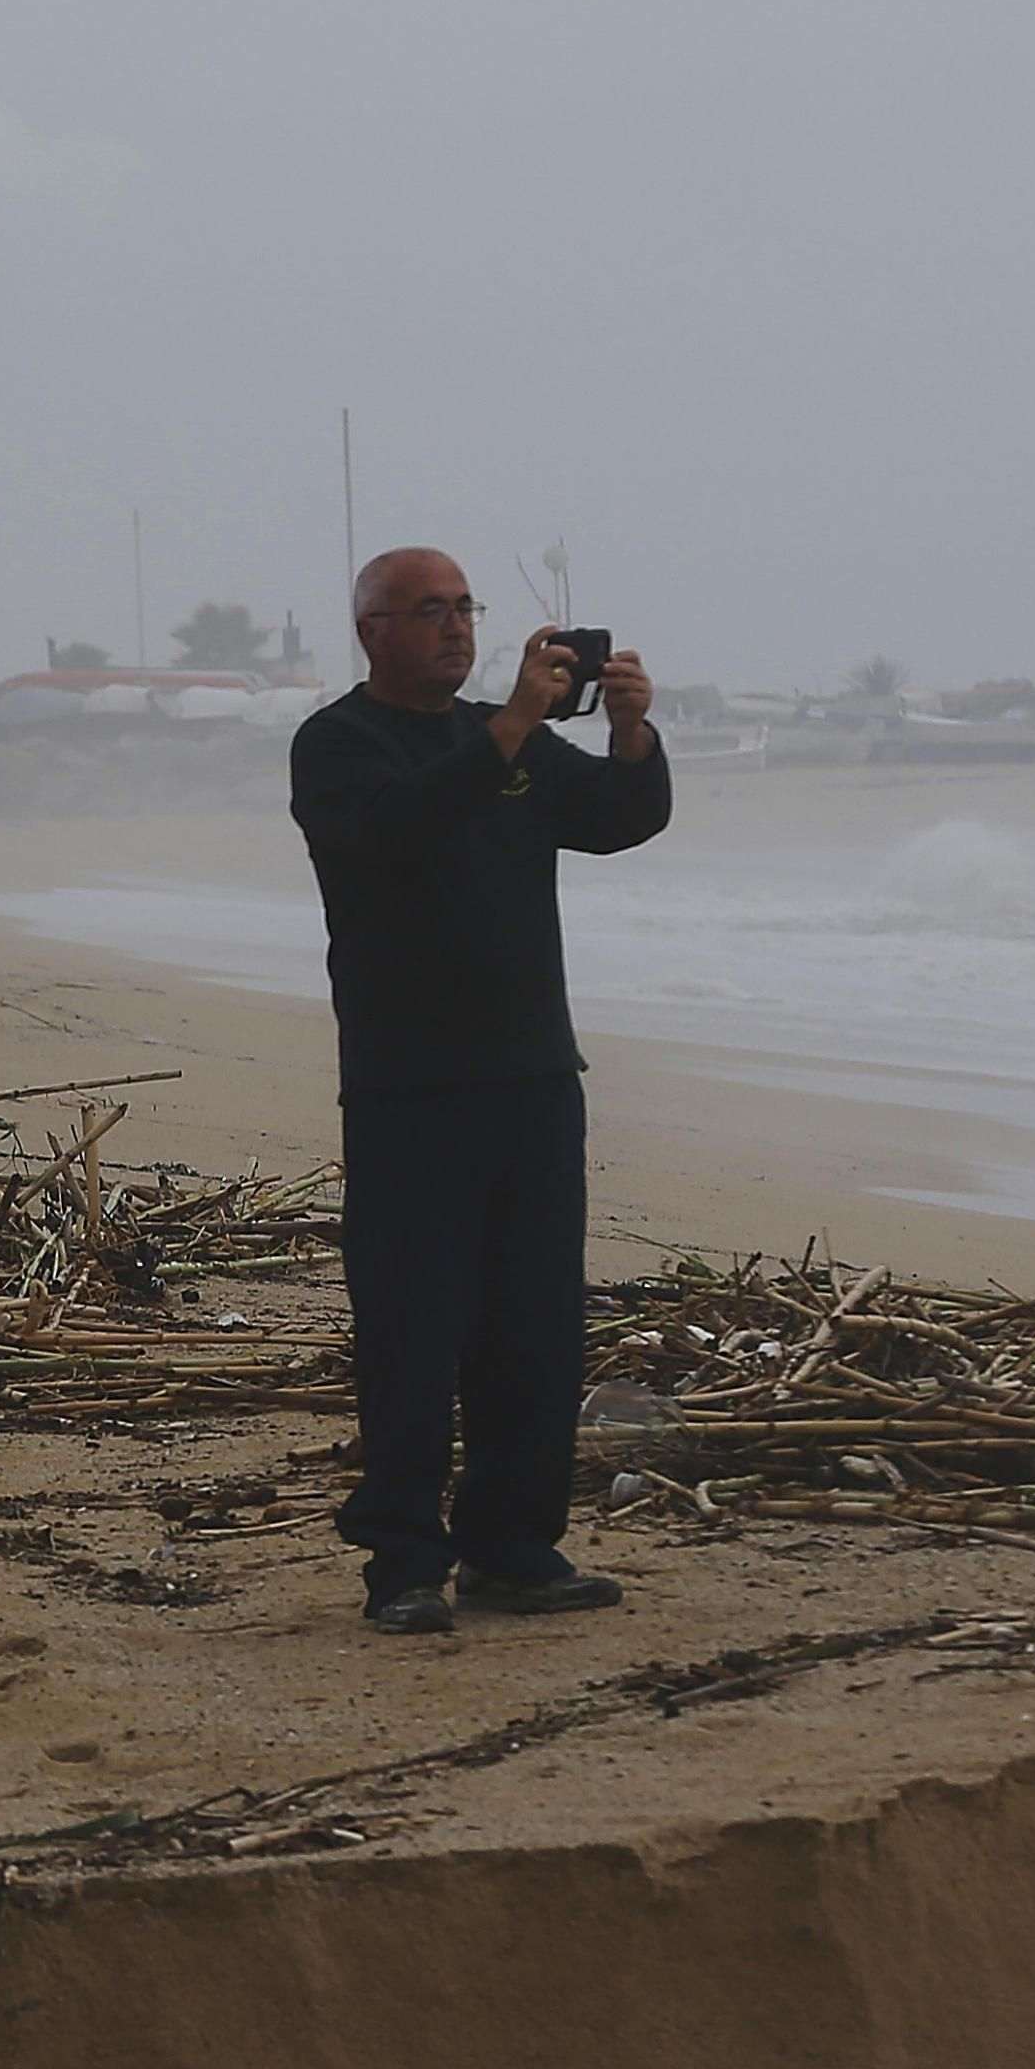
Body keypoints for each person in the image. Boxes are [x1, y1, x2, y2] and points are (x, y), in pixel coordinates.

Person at [288, 548, 671, 1635]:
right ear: (371, 631)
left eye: (464, 609)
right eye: (428, 612)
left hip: (534, 1076)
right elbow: (392, 830)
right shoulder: (337, 744)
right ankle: (403, 1562)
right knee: (413, 1329)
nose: (455, 629)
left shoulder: (510, 744)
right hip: (410, 1085)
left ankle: (511, 1545)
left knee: (533, 1328)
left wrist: (628, 732)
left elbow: (614, 818)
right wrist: (508, 728)